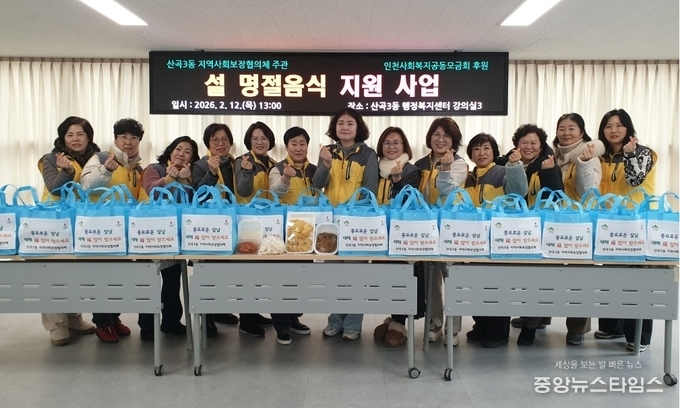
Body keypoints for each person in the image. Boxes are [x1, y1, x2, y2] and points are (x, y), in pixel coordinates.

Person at [594, 108, 657, 352]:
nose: (614, 130)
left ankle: (639, 336)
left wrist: (630, 155)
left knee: (636, 281)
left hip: (635, 223)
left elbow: (635, 180)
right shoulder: (602, 156)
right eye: (608, 126)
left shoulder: (644, 152)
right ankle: (613, 327)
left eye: (619, 125)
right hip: (609, 223)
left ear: (628, 128)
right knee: (611, 277)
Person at [313, 107, 378, 340]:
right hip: (330, 222)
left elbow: (369, 191)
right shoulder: (327, 151)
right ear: (335, 127)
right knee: (334, 275)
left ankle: (353, 324)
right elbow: (317, 184)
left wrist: (352, 213)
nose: (345, 127)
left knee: (355, 276)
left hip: (356, 222)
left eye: (350, 123)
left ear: (358, 127)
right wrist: (325, 164)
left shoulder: (368, 154)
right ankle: (335, 321)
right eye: (341, 123)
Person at [496, 124, 564, 345]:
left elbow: (557, 198)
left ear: (541, 146)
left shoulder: (548, 164)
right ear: (516, 145)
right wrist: (514, 166)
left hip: (541, 231)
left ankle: (530, 326)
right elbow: (514, 193)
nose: (529, 146)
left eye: (534, 143)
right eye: (524, 142)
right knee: (515, 279)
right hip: (514, 230)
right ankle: (524, 317)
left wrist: (550, 172)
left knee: (534, 280)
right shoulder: (508, 164)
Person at [542, 113, 606, 345]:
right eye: (562, 128)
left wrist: (584, 164)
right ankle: (539, 316)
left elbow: (589, 191)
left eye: (572, 128)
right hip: (554, 223)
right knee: (545, 273)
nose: (566, 133)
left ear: (581, 132)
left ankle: (577, 327)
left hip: (580, 225)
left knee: (580, 277)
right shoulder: (554, 156)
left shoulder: (589, 156)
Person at [79, 118, 146, 343]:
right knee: (102, 277)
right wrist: (105, 170)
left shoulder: (136, 167)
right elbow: (86, 185)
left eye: (134, 137)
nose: (128, 142)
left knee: (119, 277)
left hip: (124, 231)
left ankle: (114, 317)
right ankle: (102, 322)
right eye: (123, 136)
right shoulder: (100, 158)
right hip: (100, 230)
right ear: (115, 138)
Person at [37, 116, 99, 346]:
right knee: (52, 273)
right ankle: (56, 326)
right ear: (62, 138)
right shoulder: (51, 158)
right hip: (53, 221)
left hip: (79, 221)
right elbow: (54, 188)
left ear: (88, 137)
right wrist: (67, 170)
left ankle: (74, 318)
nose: (75, 139)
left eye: (80, 134)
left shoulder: (95, 158)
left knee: (75, 272)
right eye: (69, 135)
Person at [462, 133, 528, 348]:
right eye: (476, 149)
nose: (481, 153)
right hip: (474, 240)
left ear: (494, 152)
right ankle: (481, 324)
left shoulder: (501, 171)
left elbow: (518, 192)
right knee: (475, 285)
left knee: (496, 286)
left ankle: (498, 331)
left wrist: (515, 166)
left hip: (497, 239)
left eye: (486, 148)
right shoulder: (469, 176)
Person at [137, 135, 200, 341]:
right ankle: (147, 326)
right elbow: (151, 190)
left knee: (173, 280)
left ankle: (171, 322)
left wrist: (185, 181)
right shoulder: (154, 168)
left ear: (192, 158)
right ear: (170, 151)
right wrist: (170, 179)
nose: (182, 154)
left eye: (188, 152)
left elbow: (191, 203)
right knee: (148, 280)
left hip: (175, 235)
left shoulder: (188, 174)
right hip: (150, 233)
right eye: (178, 149)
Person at [413, 117, 468, 346]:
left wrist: (445, 168)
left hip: (451, 228)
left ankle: (453, 328)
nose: (440, 139)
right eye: (436, 134)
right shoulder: (420, 164)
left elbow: (447, 189)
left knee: (452, 277)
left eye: (446, 135)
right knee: (430, 279)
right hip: (426, 229)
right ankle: (435, 323)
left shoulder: (459, 163)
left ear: (454, 141)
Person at [371, 126, 423, 347]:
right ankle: (393, 318)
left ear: (404, 146)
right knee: (386, 277)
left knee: (404, 275)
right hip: (379, 231)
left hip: (403, 233)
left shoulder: (412, 169)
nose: (391, 147)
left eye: (396, 143)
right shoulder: (375, 169)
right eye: (387, 143)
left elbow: (407, 200)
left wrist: (398, 179)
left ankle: (401, 322)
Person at [267, 126, 316, 345]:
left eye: (302, 143)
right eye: (293, 144)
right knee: (281, 281)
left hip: (307, 234)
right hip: (283, 234)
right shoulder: (277, 168)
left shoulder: (314, 170)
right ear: (286, 147)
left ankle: (294, 318)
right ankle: (281, 326)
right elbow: (275, 191)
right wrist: (286, 178)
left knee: (301, 279)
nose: (298, 148)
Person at [191, 123, 239, 336]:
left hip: (231, 222)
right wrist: (211, 172)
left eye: (224, 139)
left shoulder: (235, 163)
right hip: (210, 227)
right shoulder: (201, 164)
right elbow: (197, 193)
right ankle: (206, 318)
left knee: (225, 272)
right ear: (208, 143)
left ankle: (219, 310)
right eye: (215, 140)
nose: (220, 144)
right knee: (208, 274)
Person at [233, 122, 276, 336]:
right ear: (249, 141)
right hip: (247, 223)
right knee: (246, 272)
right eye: (255, 138)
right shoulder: (242, 161)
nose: (260, 142)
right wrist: (247, 172)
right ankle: (246, 320)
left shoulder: (274, 164)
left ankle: (254, 312)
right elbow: (243, 190)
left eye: (264, 138)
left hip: (268, 224)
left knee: (260, 272)